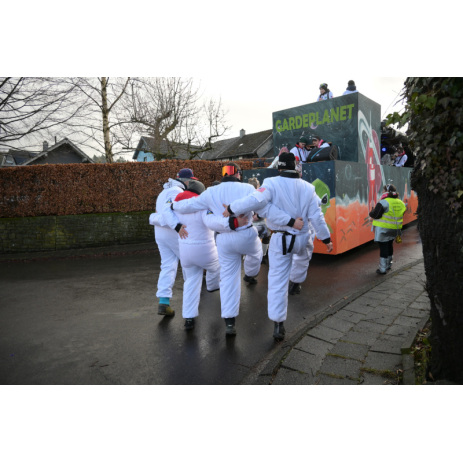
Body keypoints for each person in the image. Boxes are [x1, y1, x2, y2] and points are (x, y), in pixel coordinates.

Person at [223, 152, 333, 341]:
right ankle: (296, 282)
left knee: (277, 281)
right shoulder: (308, 188)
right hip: (303, 237)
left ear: (279, 167)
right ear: (295, 167)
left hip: (281, 240)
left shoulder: (271, 183)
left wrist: (232, 208)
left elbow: (254, 201)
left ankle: (278, 325)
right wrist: (326, 239)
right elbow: (317, 216)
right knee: (303, 259)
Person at [170, 163, 264, 337]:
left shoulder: (210, 192)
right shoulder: (248, 188)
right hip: (246, 234)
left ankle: (230, 321)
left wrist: (174, 206)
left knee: (228, 278)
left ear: (223, 175)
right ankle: (251, 272)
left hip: (224, 239)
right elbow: (261, 205)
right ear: (238, 174)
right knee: (256, 252)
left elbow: (190, 204)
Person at [149, 168, 198, 317]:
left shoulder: (163, 191)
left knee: (167, 266)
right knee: (189, 265)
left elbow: (159, 214)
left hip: (160, 234)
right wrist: (177, 226)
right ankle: (191, 302)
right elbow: (167, 213)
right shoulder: (177, 191)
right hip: (173, 233)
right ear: (185, 180)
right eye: (191, 180)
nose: (191, 183)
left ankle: (164, 301)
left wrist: (153, 218)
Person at [369, 184, 407, 275]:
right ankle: (389, 265)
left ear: (386, 191)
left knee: (383, 247)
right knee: (390, 245)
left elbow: (375, 215)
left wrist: (371, 212)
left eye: (383, 190)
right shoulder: (401, 203)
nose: (382, 192)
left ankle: (382, 269)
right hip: (395, 229)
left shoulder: (383, 202)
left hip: (383, 229)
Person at [248, 177, 271, 264]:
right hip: (251, 223)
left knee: (265, 235)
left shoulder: (260, 194)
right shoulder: (253, 195)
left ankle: (262, 255)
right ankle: (262, 256)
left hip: (257, 222)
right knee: (264, 236)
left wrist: (258, 215)